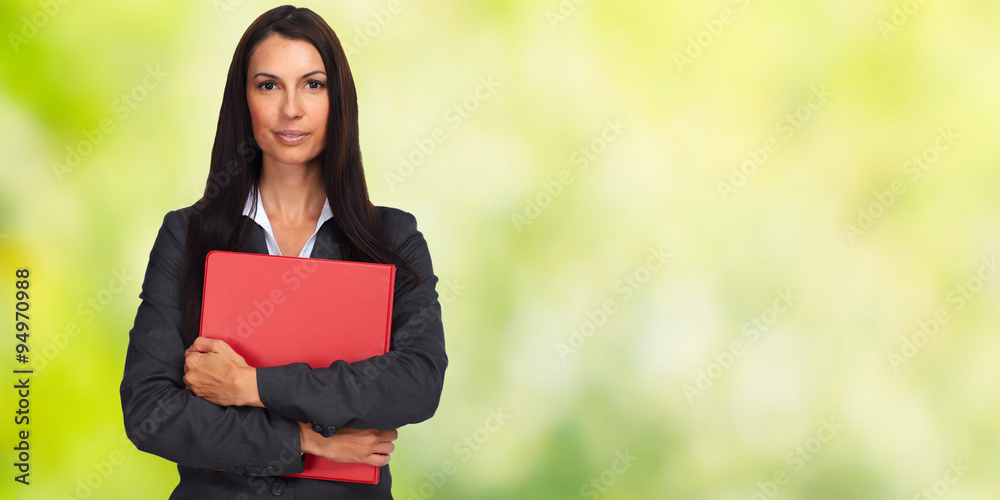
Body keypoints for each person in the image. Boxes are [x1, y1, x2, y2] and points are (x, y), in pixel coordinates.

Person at [119, 6, 447, 499]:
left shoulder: (391, 239)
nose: (291, 108)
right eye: (268, 85)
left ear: (338, 100)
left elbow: (416, 382)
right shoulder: (186, 236)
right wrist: (304, 440)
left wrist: (252, 385)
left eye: (312, 84)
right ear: (243, 101)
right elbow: (150, 411)